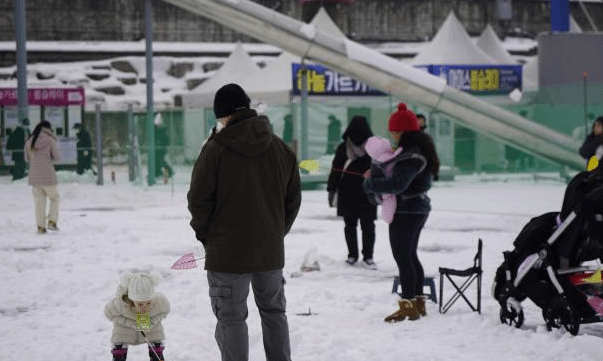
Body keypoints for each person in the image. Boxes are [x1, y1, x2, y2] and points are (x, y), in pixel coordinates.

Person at [187, 83, 302, 361]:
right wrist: (275, 232)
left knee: (231, 318)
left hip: (227, 255)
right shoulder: (281, 148)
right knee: (275, 313)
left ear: (224, 115)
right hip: (269, 252)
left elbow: (198, 200)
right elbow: (293, 200)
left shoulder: (215, 150)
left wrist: (208, 237)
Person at [363, 103, 440, 322]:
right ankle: (416, 303)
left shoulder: (411, 156)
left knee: (404, 258)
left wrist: (370, 183)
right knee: (410, 256)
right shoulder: (414, 151)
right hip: (414, 209)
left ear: (404, 132)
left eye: (395, 131)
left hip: (408, 210)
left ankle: (408, 307)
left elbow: (397, 184)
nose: (392, 135)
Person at [327, 115, 377, 269]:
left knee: (350, 226)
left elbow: (336, 169)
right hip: (367, 191)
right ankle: (368, 257)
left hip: (346, 191)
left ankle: (352, 256)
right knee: (368, 226)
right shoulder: (373, 148)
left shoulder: (344, 146)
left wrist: (332, 190)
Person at [104, 273, 170, 361]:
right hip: (126, 328)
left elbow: (164, 312)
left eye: (148, 303)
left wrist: (153, 321)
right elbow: (109, 314)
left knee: (156, 331)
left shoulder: (160, 302)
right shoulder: (119, 304)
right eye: (140, 304)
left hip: (149, 327)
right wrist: (130, 323)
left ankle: (157, 354)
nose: (145, 307)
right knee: (119, 332)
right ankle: (119, 355)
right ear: (132, 300)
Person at [24, 120, 61, 234]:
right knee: (55, 198)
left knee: (39, 202)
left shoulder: (30, 141)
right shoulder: (50, 140)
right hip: (48, 176)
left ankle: (41, 227)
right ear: (48, 129)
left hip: (35, 177)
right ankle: (52, 221)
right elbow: (57, 157)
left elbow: (27, 159)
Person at [153, 114, 174, 180]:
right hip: (159, 147)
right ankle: (159, 173)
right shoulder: (160, 129)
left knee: (161, 161)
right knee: (158, 160)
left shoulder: (161, 130)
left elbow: (165, 139)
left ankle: (167, 173)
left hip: (161, 148)